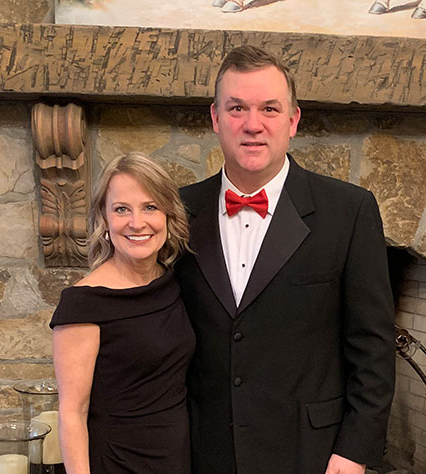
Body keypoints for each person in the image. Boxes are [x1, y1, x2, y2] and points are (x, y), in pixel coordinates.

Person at [175, 45, 396, 474]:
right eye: (237, 108)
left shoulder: (348, 211)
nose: (252, 124)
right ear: (216, 119)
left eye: (269, 109)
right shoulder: (177, 212)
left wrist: (354, 453)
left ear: (293, 120)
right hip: (203, 453)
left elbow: (373, 348)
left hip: (312, 455)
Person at [51, 152, 195, 474]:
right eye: (121, 210)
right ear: (104, 219)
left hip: (176, 458)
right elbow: (72, 413)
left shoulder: (172, 281)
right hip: (117, 463)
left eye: (150, 207)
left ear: (168, 216)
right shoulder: (83, 303)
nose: (137, 223)